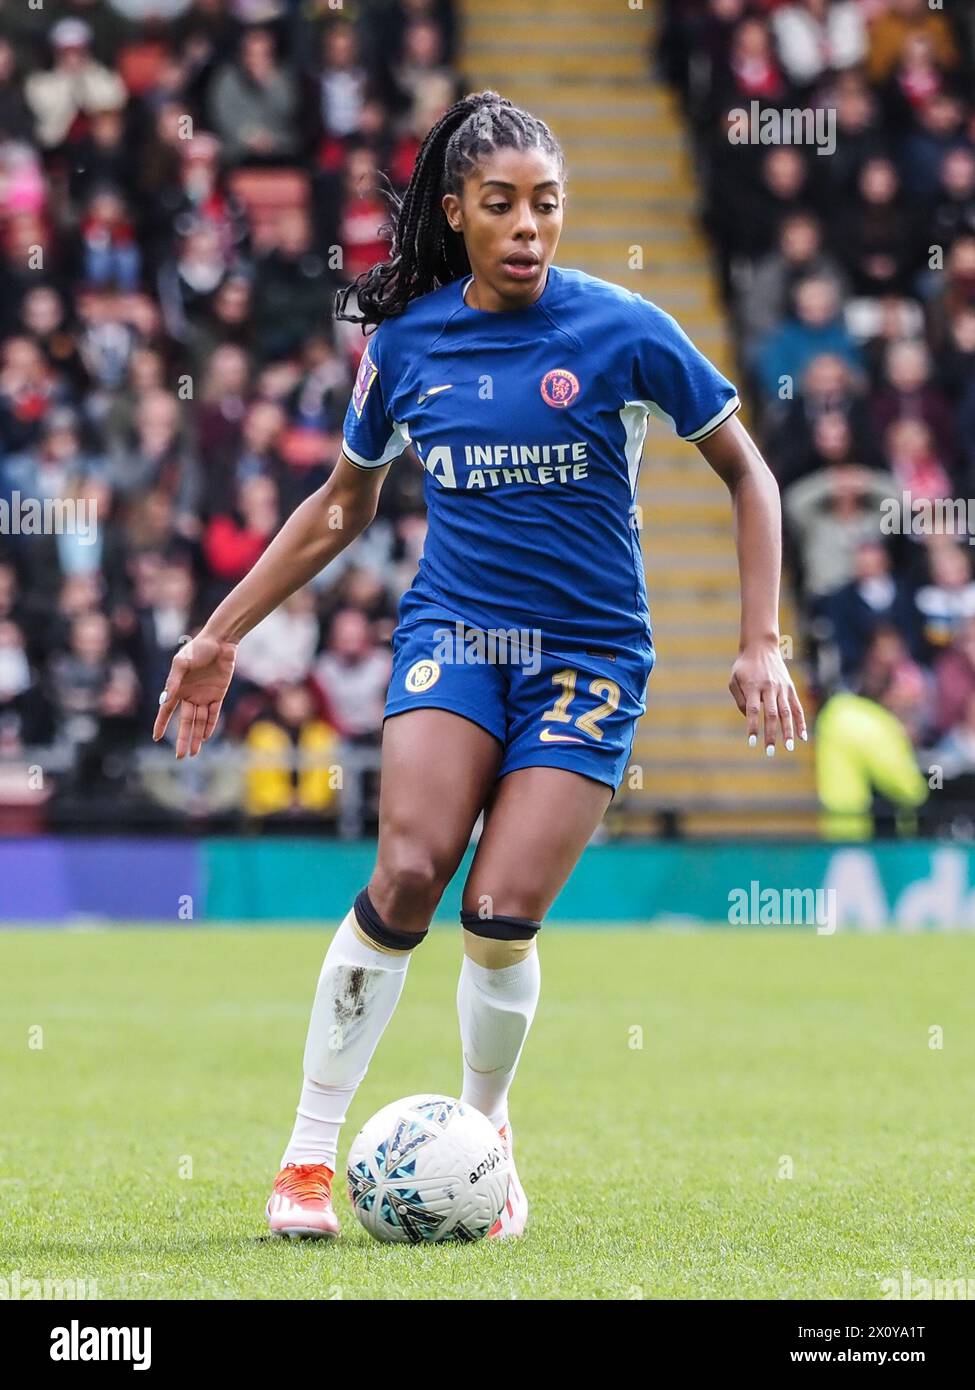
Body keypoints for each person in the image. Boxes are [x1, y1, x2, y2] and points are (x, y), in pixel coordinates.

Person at [152, 90, 805, 1241]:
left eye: (546, 205)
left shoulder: (626, 330)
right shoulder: (405, 346)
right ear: (454, 212)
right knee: (407, 875)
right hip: (455, 636)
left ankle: (484, 1136)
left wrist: (760, 639)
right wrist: (218, 635)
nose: (526, 227)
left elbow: (751, 474)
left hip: (589, 658)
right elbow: (338, 508)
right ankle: (307, 1156)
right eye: (500, 204)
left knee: (499, 914)